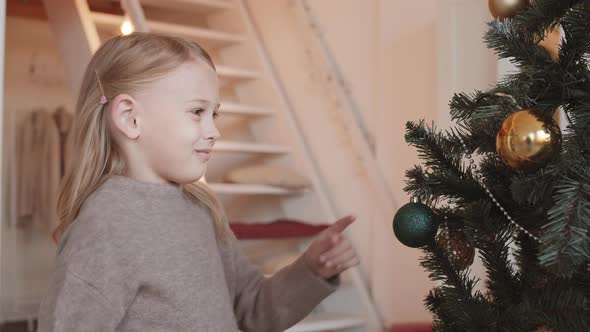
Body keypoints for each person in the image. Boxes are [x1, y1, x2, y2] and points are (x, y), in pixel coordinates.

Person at [37, 32, 360, 331]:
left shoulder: (201, 209)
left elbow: (250, 307)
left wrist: (311, 270)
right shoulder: (106, 225)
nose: (213, 131)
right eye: (196, 112)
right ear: (130, 118)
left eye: (214, 114)